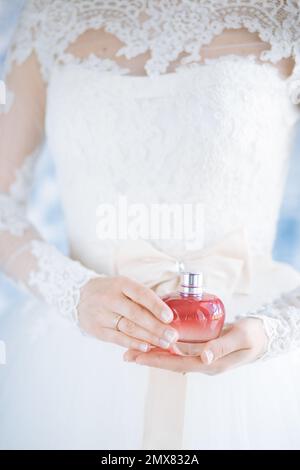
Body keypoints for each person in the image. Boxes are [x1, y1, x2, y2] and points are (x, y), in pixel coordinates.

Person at [0, 0, 300, 450]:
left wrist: (278, 329)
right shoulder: (50, 17)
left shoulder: (286, 16)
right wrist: (72, 292)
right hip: (78, 365)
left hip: (249, 359)